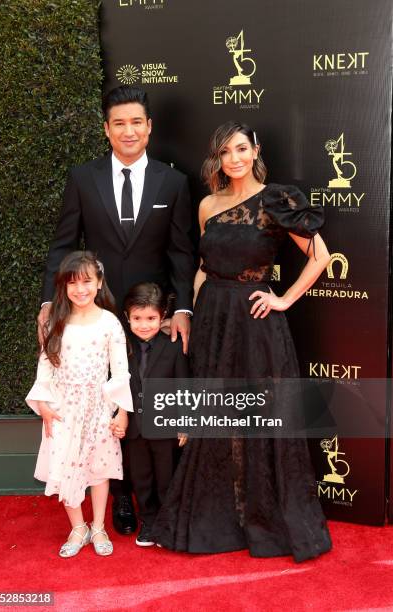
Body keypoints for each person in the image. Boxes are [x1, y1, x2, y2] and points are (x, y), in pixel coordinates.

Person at [152, 121, 332, 562]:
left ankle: (263, 517)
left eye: (240, 149)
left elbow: (320, 256)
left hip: (254, 323)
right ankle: (219, 516)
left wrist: (284, 299)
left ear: (255, 150)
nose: (233, 159)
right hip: (213, 318)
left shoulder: (277, 199)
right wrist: (193, 309)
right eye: (224, 152)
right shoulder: (209, 204)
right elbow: (202, 264)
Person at [37, 85, 195, 535]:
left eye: (137, 122)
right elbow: (64, 244)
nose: (129, 131)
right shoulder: (82, 178)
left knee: (151, 409)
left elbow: (183, 254)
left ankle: (164, 500)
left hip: (153, 319)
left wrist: (181, 309)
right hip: (99, 318)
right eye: (119, 123)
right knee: (110, 408)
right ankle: (121, 499)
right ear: (107, 129)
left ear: (149, 128)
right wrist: (51, 301)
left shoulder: (174, 182)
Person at [26, 251, 133, 557]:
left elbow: (121, 371)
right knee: (64, 467)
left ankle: (98, 526)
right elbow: (45, 366)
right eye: (72, 282)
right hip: (62, 410)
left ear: (99, 283)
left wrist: (122, 412)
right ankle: (78, 528)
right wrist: (44, 405)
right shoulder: (55, 322)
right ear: (63, 286)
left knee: (99, 471)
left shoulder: (110, 323)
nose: (80, 289)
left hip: (99, 408)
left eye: (87, 281)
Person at [115, 282, 189, 546]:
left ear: (162, 317)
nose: (143, 325)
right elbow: (116, 385)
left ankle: (166, 523)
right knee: (141, 478)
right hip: (134, 429)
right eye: (137, 318)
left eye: (150, 318)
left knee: (165, 477)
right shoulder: (122, 349)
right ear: (127, 317)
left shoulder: (173, 347)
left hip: (165, 426)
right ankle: (148, 521)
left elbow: (183, 386)